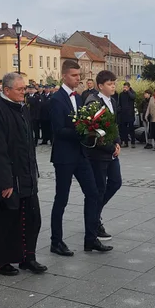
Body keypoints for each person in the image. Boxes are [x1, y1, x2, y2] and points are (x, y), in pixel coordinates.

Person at [0, 73, 47, 275]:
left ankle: (28, 257)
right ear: (6, 90)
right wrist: (5, 183)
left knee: (32, 217)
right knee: (5, 221)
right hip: (6, 180)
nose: (23, 92)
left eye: (24, 88)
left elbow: (27, 143)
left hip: (25, 175)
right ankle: (0, 261)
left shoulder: (23, 108)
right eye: (19, 89)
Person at [49, 59, 110, 255]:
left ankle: (90, 239)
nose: (78, 79)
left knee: (93, 194)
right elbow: (59, 131)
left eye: (79, 75)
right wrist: (85, 131)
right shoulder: (56, 99)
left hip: (81, 154)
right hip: (64, 156)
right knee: (62, 199)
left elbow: (82, 121)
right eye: (74, 75)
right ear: (64, 76)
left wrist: (92, 128)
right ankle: (56, 241)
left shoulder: (79, 97)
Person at [84, 70, 122, 240]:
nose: (113, 86)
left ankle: (96, 213)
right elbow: (94, 130)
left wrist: (118, 142)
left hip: (112, 151)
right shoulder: (93, 102)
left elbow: (114, 124)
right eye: (109, 84)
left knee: (115, 182)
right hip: (99, 153)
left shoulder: (112, 101)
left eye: (114, 83)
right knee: (99, 189)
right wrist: (109, 147)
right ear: (100, 86)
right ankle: (95, 223)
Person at [118, 82, 136, 148]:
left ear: (128, 87)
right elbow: (119, 103)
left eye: (125, 87)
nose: (124, 88)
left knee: (131, 128)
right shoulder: (121, 94)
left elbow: (133, 97)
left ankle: (133, 142)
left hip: (130, 114)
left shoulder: (132, 93)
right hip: (123, 114)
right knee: (124, 129)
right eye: (124, 87)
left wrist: (128, 92)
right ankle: (125, 142)